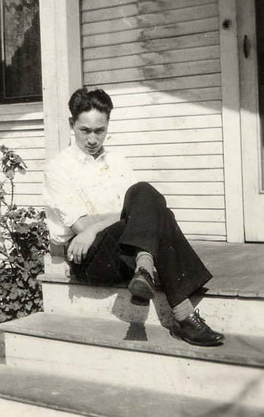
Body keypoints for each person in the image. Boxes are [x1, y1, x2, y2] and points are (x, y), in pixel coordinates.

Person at [43, 88, 224, 347]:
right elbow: (82, 225)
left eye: (100, 130)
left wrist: (103, 223)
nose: (93, 139)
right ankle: (179, 310)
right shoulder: (58, 168)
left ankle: (144, 270)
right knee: (160, 213)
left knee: (144, 192)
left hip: (123, 246)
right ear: (72, 124)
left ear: (107, 125)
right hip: (90, 259)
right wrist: (95, 229)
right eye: (85, 131)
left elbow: (136, 209)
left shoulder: (118, 161)